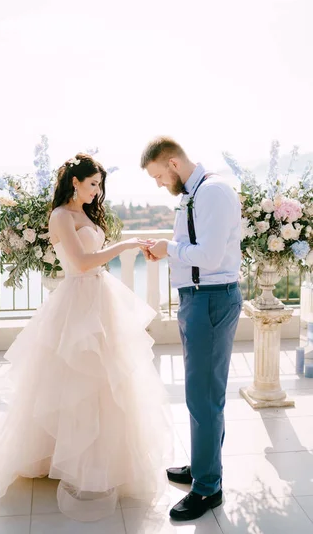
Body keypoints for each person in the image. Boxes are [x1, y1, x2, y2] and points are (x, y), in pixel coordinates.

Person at [0, 153, 173, 522]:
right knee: (74, 380)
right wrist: (127, 244)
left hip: (100, 300)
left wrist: (124, 244)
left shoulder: (86, 213)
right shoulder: (60, 216)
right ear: (75, 182)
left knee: (108, 382)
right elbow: (82, 262)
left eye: (100, 185)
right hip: (76, 300)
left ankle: (107, 461)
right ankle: (65, 458)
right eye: (92, 184)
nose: (96, 191)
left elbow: (92, 258)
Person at [140, 137, 242, 522]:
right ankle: (204, 464)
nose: (158, 183)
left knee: (203, 397)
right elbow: (193, 250)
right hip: (199, 299)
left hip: (211, 300)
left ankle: (207, 488)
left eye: (158, 175)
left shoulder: (212, 192)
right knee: (201, 394)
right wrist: (169, 251)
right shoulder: (193, 193)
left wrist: (170, 249)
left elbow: (210, 257)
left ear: (173, 163)